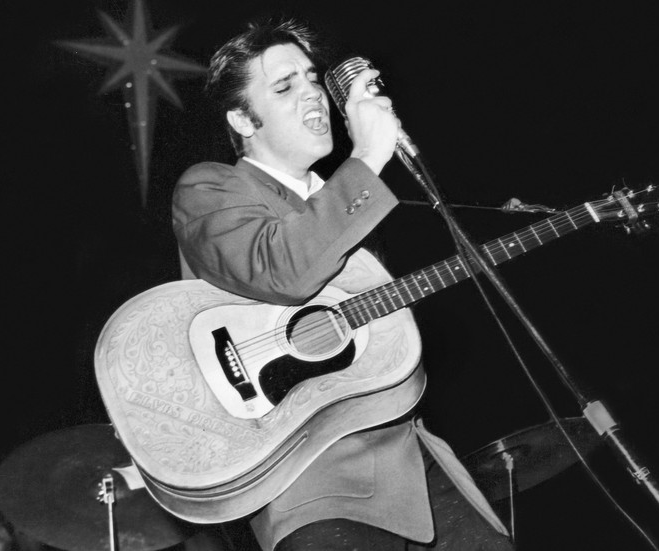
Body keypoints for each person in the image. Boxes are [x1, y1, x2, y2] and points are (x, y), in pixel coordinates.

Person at [172, 15, 514, 551]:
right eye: (285, 87)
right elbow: (282, 269)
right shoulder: (209, 188)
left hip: (414, 465)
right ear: (242, 119)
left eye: (313, 78)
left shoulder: (346, 199)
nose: (313, 95)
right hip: (313, 485)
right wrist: (368, 156)